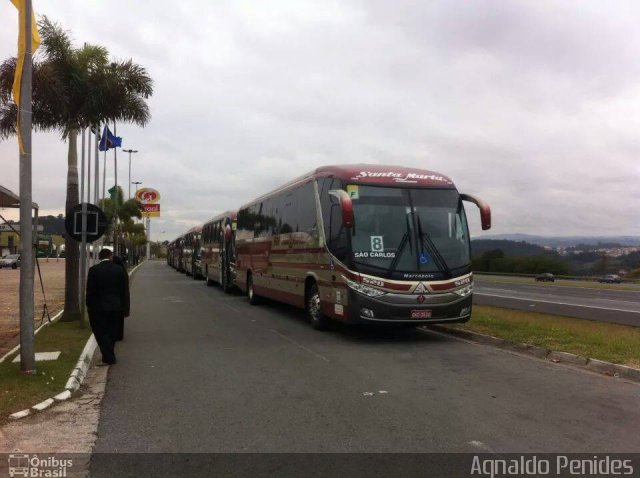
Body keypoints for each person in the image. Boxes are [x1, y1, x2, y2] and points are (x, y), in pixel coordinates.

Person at [86, 248, 130, 365]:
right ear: (110, 256)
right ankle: (109, 356)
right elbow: (124, 290)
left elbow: (90, 290)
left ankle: (109, 357)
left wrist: (88, 305)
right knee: (112, 332)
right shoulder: (119, 270)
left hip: (98, 307)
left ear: (100, 257)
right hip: (116, 306)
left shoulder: (94, 270)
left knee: (100, 332)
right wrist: (124, 306)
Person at [111, 255, 130, 342]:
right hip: (122, 298)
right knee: (120, 318)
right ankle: (119, 335)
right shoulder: (123, 271)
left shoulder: (115, 271)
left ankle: (113, 334)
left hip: (115, 297)